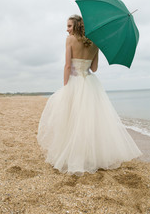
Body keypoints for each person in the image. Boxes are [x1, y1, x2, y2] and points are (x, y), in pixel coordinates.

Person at [37, 14, 143, 176]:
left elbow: (67, 66)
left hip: (74, 82)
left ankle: (72, 157)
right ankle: (91, 157)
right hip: (90, 83)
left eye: (69, 26)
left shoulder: (69, 40)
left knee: (71, 120)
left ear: (78, 26)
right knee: (88, 122)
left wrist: (66, 86)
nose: (67, 29)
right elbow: (94, 69)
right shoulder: (96, 43)